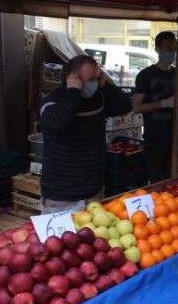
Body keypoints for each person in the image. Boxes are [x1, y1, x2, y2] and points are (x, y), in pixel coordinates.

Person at [40, 55, 132, 213]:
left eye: (96, 78)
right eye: (90, 80)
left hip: (94, 192)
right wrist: (74, 92)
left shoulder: (97, 99)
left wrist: (106, 84)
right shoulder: (52, 102)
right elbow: (62, 122)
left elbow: (125, 106)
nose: (94, 84)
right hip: (62, 196)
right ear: (73, 78)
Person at [133, 31, 178, 182]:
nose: (171, 52)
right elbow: (137, 107)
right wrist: (163, 103)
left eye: (174, 48)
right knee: (157, 183)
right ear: (157, 50)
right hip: (154, 139)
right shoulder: (145, 75)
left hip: (177, 137)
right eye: (168, 48)